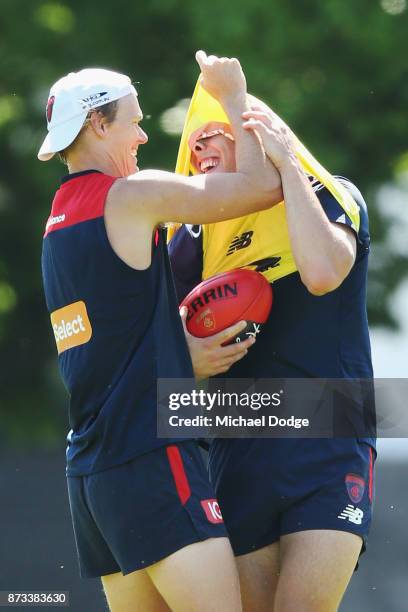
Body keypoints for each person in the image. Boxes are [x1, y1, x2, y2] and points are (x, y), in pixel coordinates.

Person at [39, 53, 284, 611]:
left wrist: (177, 356)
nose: (144, 135)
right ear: (98, 125)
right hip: (151, 456)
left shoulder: (56, 223)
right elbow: (259, 187)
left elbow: (105, 342)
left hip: (92, 473)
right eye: (134, 120)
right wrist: (234, 96)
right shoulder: (128, 196)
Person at [169, 99, 376, 611]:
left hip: (330, 438)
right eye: (193, 139)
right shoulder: (191, 238)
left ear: (259, 133)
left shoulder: (332, 195)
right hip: (240, 450)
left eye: (215, 132)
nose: (198, 144)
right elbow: (153, 347)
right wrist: (186, 355)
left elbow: (323, 272)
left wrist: (287, 165)